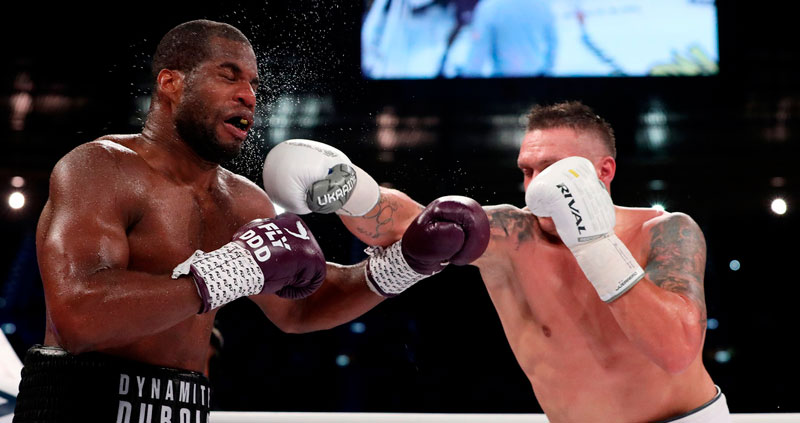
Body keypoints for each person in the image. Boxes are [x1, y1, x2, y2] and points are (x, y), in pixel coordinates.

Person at [13, 20, 489, 423]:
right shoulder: (101, 167)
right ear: (171, 83)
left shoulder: (243, 202)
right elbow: (79, 319)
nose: (248, 95)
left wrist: (404, 263)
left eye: (255, 85)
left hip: (182, 407)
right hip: (79, 407)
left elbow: (301, 308)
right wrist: (230, 271)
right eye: (229, 76)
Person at [282, 101, 729, 423]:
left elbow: (676, 351)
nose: (536, 187)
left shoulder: (664, 232)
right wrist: (349, 190)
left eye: (552, 169)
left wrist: (593, 240)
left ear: (604, 172)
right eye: (527, 171)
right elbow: (412, 224)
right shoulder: (515, 238)